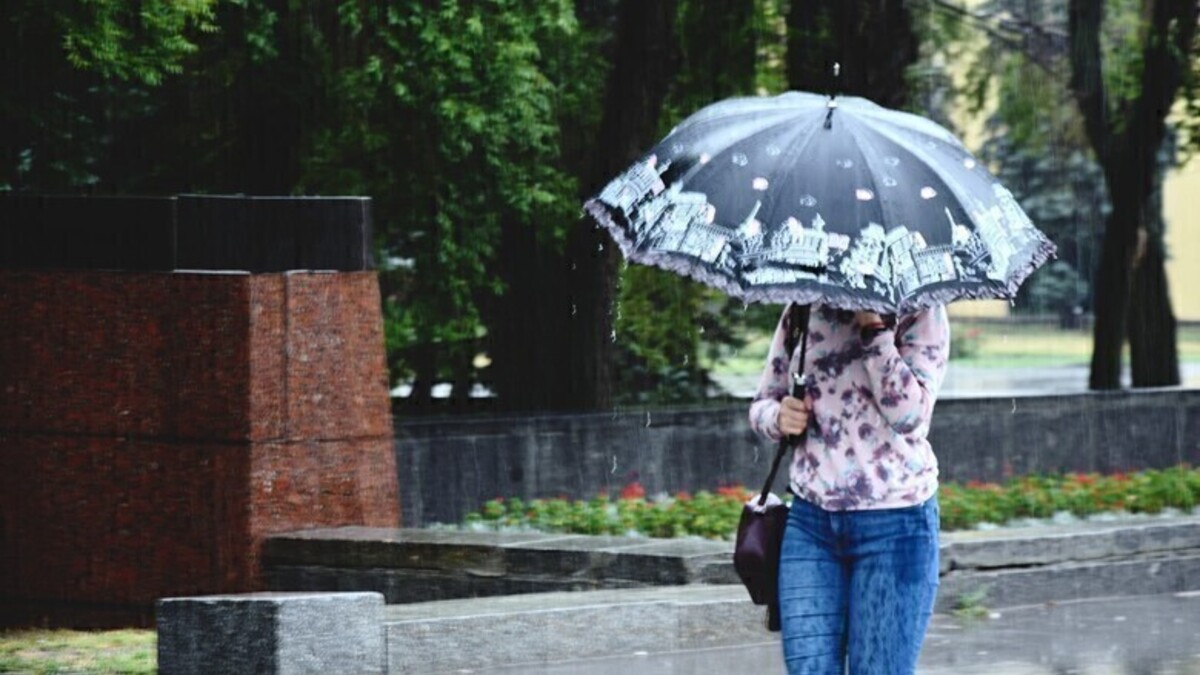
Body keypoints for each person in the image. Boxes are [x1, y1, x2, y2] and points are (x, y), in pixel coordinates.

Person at [749, 304, 949, 675]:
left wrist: (874, 330)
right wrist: (779, 416)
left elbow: (909, 415)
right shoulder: (805, 306)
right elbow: (762, 402)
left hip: (897, 526)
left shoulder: (921, 313)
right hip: (811, 523)